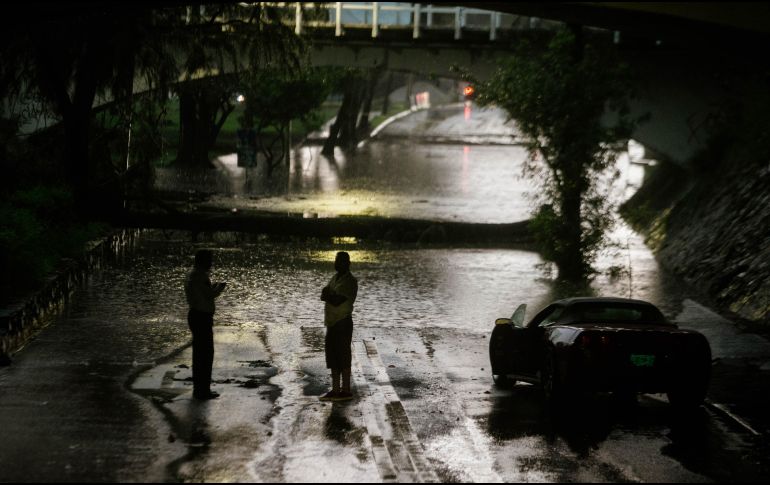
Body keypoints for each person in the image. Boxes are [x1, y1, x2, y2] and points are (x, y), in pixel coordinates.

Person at [184, 249, 226, 400]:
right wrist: (219, 288)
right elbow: (209, 295)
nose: (211, 263)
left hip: (195, 315)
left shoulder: (191, 274)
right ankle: (203, 391)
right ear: (204, 261)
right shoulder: (200, 276)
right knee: (206, 355)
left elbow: (203, 293)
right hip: (202, 317)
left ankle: (199, 389)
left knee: (199, 354)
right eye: (210, 260)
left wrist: (212, 287)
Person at [319, 251, 358, 401]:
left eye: (340, 261)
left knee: (343, 355)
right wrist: (329, 295)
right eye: (336, 260)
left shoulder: (350, 281)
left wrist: (328, 295)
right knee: (332, 356)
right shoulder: (335, 278)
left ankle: (346, 390)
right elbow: (325, 293)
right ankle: (335, 390)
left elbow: (336, 300)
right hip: (331, 322)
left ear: (348, 264)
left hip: (343, 321)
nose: (336, 263)